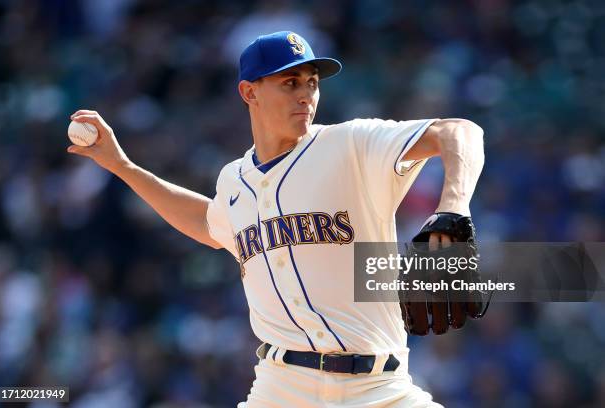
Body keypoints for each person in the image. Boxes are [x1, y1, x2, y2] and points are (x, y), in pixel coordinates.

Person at [68, 31, 484, 407]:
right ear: (249, 92)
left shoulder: (350, 144)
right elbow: (209, 223)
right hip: (282, 388)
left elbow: (460, 132)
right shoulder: (234, 180)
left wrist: (453, 207)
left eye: (312, 82)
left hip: (379, 390)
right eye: (290, 83)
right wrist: (122, 166)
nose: (306, 95)